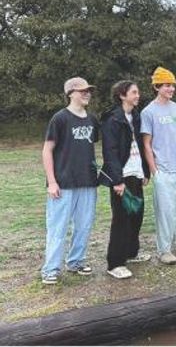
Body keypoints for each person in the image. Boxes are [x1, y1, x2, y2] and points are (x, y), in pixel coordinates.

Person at [41, 77, 99, 285]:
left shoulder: (92, 119)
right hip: (63, 183)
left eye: (88, 90)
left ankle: (75, 261)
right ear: (70, 93)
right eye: (82, 90)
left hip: (87, 182)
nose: (87, 93)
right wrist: (52, 181)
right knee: (58, 227)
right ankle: (51, 269)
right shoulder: (60, 118)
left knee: (84, 226)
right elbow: (47, 150)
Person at [141, 67, 176, 264]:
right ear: (157, 86)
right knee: (165, 212)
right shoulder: (148, 112)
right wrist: (154, 171)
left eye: (173, 85)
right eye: (166, 85)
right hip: (164, 170)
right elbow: (147, 143)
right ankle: (164, 250)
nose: (171, 88)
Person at [100, 81, 150, 279]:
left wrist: (145, 171)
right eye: (134, 92)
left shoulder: (135, 117)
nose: (138, 95)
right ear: (122, 95)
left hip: (136, 173)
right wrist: (117, 180)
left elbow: (140, 144)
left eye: (138, 92)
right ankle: (115, 263)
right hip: (121, 175)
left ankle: (131, 253)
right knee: (121, 218)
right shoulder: (112, 119)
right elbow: (110, 152)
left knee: (136, 213)